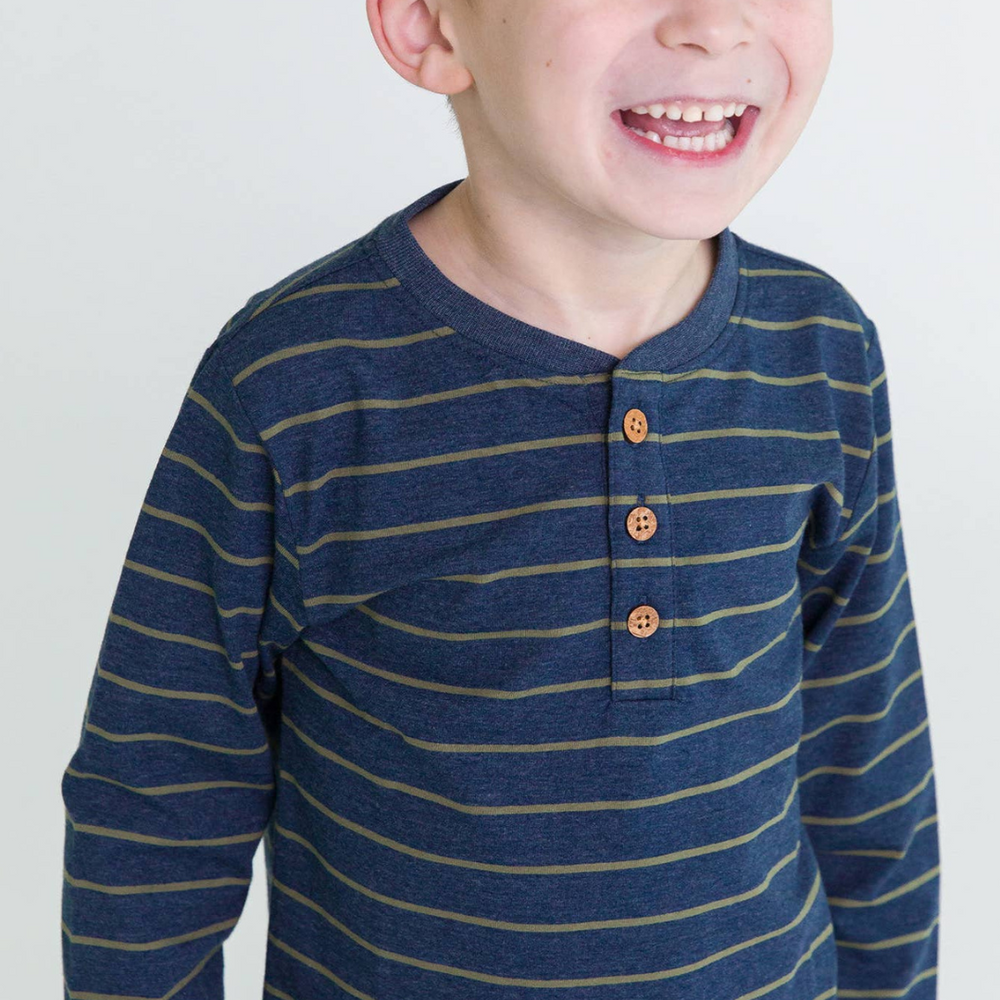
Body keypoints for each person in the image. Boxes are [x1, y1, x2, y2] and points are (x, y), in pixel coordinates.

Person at [60, 1, 941, 997]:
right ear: (429, 27)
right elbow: (156, 800)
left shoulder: (821, 353)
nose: (714, 24)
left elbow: (869, 760)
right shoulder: (294, 384)